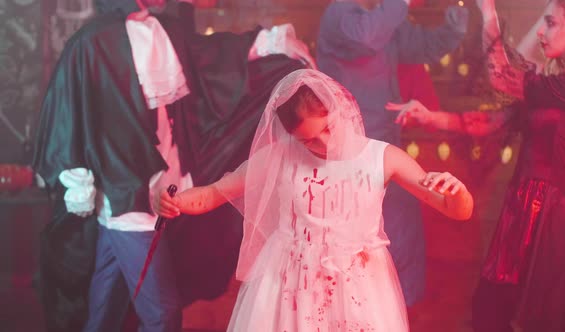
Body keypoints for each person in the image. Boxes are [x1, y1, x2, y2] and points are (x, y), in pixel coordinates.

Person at [32, 0, 314, 331]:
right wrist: (78, 178)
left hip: (165, 185)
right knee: (163, 314)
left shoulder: (166, 29)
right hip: (127, 197)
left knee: (107, 302)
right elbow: (69, 113)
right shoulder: (91, 43)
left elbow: (212, 59)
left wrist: (272, 44)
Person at [154, 69, 474, 331]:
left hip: (357, 288)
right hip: (289, 284)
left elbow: (456, 211)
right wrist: (174, 202)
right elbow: (212, 194)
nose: (321, 145)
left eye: (327, 130)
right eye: (307, 140)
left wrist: (457, 193)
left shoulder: (383, 157)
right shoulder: (279, 156)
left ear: (339, 110)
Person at [387, 0, 565, 330]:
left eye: (551, 23)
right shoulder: (553, 86)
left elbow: (504, 78)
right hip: (522, 210)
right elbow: (490, 122)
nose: (541, 30)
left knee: (542, 318)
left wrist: (488, 13)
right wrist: (430, 116)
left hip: (554, 219)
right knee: (490, 311)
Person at [315, 0, 469, 305]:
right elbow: (365, 36)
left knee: (400, 233)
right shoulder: (341, 13)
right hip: (345, 152)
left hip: (384, 145)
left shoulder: (384, 18)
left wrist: (457, 17)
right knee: (354, 241)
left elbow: (426, 47)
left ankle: (400, 309)